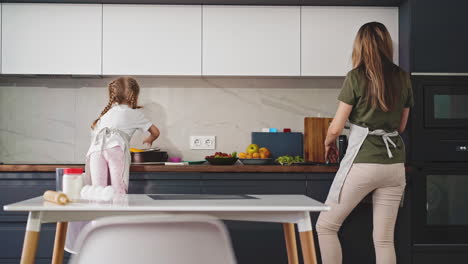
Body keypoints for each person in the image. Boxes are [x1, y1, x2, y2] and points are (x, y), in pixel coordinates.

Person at [316, 22, 413, 264]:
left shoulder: (356, 76)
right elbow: (401, 127)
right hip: (394, 166)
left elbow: (336, 128)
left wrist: (328, 143)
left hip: (363, 163)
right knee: (384, 239)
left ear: (360, 45)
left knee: (326, 226)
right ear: (387, 45)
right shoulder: (402, 77)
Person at [65, 76, 160, 253]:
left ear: (112, 95)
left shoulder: (105, 114)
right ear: (134, 95)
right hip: (115, 149)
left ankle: (96, 240)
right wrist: (149, 139)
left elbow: (95, 134)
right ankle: (117, 239)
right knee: (118, 191)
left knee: (97, 192)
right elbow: (155, 131)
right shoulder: (135, 114)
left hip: (95, 150)